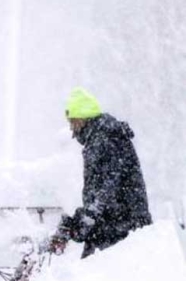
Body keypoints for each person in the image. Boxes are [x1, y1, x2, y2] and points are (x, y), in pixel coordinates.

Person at [49, 87, 152, 258]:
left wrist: (84, 220)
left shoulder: (106, 138)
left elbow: (107, 190)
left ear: (83, 119)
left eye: (73, 122)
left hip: (123, 230)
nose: (72, 130)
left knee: (89, 278)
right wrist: (78, 222)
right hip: (114, 226)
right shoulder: (100, 138)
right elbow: (101, 192)